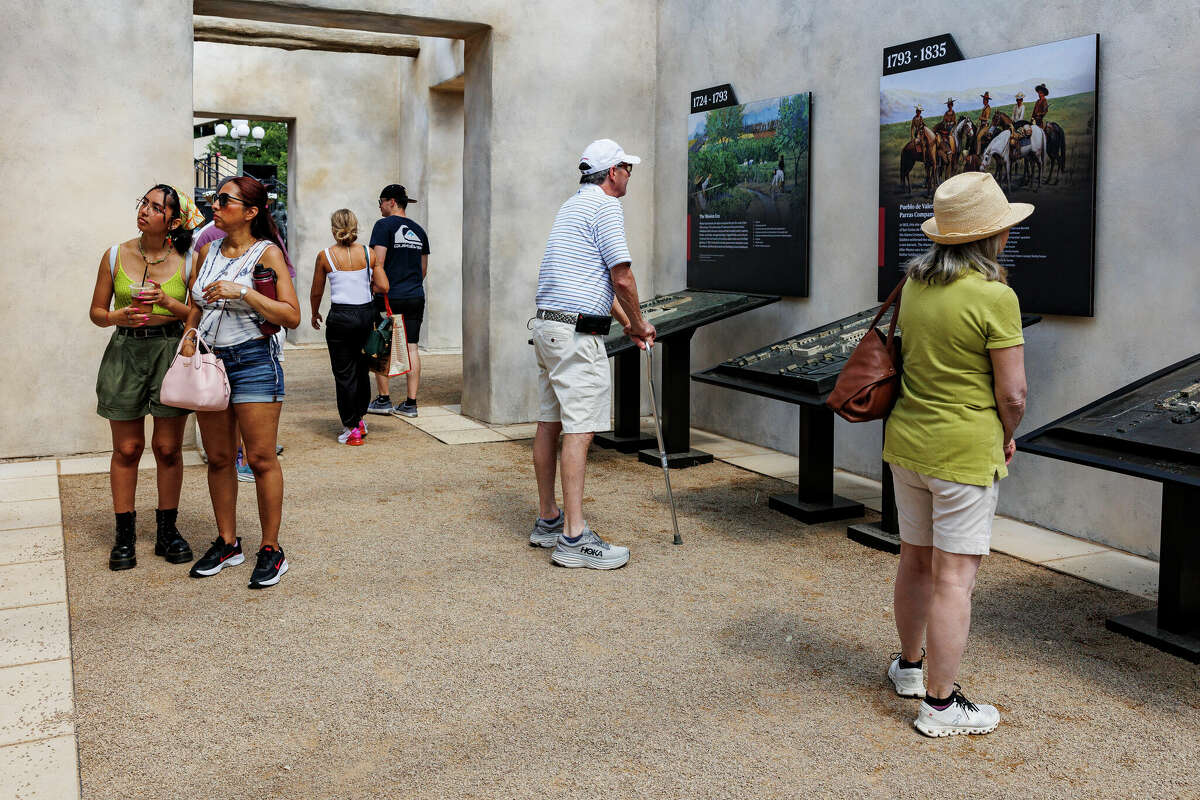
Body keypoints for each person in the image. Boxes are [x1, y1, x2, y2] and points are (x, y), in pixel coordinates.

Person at [882, 172, 1031, 737]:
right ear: (990, 236)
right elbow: (1012, 394)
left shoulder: (915, 285)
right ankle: (941, 706)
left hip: (908, 443)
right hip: (964, 452)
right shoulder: (996, 296)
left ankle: (910, 667)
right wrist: (1007, 433)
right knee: (954, 579)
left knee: (915, 560)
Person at [529, 138, 656, 570]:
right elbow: (621, 277)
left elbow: (596, 280)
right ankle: (573, 537)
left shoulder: (573, 206)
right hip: (575, 334)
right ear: (612, 172)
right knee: (580, 430)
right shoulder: (606, 207)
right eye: (627, 168)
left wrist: (627, 324)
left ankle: (549, 520)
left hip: (549, 327)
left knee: (550, 422)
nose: (630, 175)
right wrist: (640, 323)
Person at [183, 176, 301, 589]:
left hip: (253, 360)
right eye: (215, 199)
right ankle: (228, 542)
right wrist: (189, 335)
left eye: (223, 200)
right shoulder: (207, 250)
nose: (214, 205)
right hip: (210, 362)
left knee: (261, 458)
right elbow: (195, 304)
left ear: (250, 212)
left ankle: (271, 548)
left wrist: (243, 293)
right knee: (219, 458)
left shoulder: (267, 253)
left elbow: (291, 315)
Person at [89, 184, 205, 570]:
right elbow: (96, 312)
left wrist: (168, 304)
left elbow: (196, 312)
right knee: (127, 449)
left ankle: (166, 532)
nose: (145, 210)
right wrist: (116, 317)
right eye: (144, 203)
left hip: (169, 352)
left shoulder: (188, 260)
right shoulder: (114, 254)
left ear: (172, 221)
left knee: (168, 449)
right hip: (125, 352)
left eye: (156, 207)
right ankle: (124, 536)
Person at [310, 209, 389, 445]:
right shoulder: (368, 253)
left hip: (340, 318)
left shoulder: (325, 256)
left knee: (344, 373)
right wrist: (368, 285)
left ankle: (352, 427)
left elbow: (316, 291)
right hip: (366, 315)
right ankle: (360, 419)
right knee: (362, 368)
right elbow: (384, 286)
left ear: (333, 228)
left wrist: (315, 312)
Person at [365, 184, 429, 418]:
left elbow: (378, 263)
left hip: (388, 297)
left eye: (380, 202)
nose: (379, 207)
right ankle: (411, 404)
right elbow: (423, 269)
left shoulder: (383, 226)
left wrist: (375, 287)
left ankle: (383, 399)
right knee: (411, 346)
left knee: (381, 344)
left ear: (391, 202)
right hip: (415, 296)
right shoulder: (419, 231)